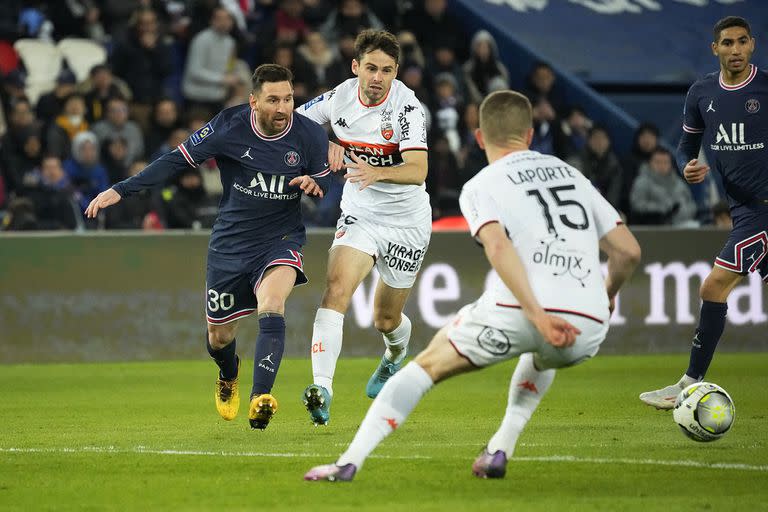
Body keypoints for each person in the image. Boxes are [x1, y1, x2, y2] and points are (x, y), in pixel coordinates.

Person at [304, 90, 641, 482]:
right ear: (530, 135)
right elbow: (628, 252)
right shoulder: (573, 175)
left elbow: (498, 247)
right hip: (588, 322)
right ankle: (500, 449)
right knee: (540, 354)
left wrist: (538, 315)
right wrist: (610, 292)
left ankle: (348, 463)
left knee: (421, 370)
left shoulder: (483, 184)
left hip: (524, 312)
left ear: (479, 138)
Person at [85, 64, 330, 429]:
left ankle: (260, 398)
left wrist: (316, 182)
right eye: (273, 99)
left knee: (273, 305)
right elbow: (175, 160)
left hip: (280, 238)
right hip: (231, 244)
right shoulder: (228, 126)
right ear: (253, 101)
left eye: (289, 99)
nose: (283, 108)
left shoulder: (309, 133)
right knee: (219, 337)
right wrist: (121, 189)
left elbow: (324, 178)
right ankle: (229, 374)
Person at [297, 29, 430, 425]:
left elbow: (419, 170)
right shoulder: (338, 99)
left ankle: (393, 356)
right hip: (361, 213)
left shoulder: (407, 108)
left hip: (407, 221)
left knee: (385, 320)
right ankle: (322, 388)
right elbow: (294, 124)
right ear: (356, 67)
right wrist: (324, 144)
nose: (377, 78)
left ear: (395, 73)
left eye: (386, 71)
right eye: (370, 68)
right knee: (335, 289)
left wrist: (376, 170)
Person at [640, 16, 768, 408]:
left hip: (762, 210)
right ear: (715, 49)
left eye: (742, 42)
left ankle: (689, 383)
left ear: (753, 45)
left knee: (713, 285)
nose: (735, 50)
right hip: (742, 208)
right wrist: (686, 166)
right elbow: (685, 146)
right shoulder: (701, 93)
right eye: (727, 43)